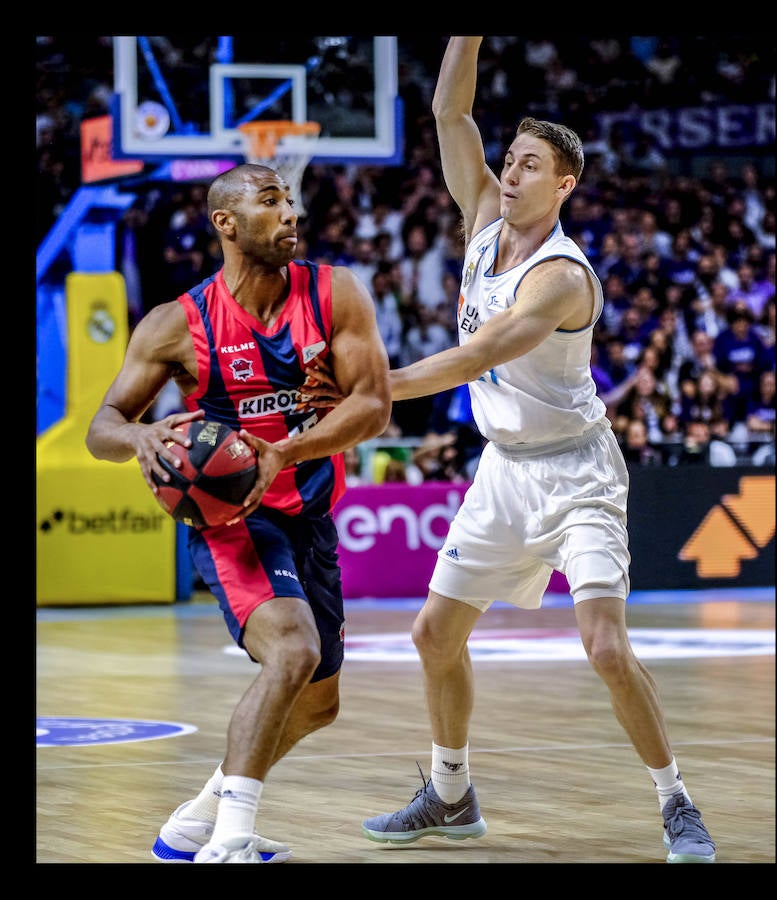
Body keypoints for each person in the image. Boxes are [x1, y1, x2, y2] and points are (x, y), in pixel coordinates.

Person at [315, 36, 717, 863]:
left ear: (564, 184)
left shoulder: (561, 277)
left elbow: (476, 356)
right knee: (433, 636)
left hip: (576, 472)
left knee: (605, 646)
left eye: (530, 165)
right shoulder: (483, 223)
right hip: (503, 469)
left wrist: (370, 387)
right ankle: (450, 794)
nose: (510, 173)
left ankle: (676, 801)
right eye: (509, 160)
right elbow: (448, 111)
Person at [85, 163, 392, 864]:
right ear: (225, 222)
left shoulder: (335, 292)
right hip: (232, 520)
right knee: (294, 650)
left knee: (318, 704)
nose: (291, 214)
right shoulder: (176, 324)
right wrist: (140, 437)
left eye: (291, 201)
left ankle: (193, 823)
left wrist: (286, 451)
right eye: (271, 201)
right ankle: (229, 843)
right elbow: (102, 426)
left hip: (309, 513)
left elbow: (373, 406)